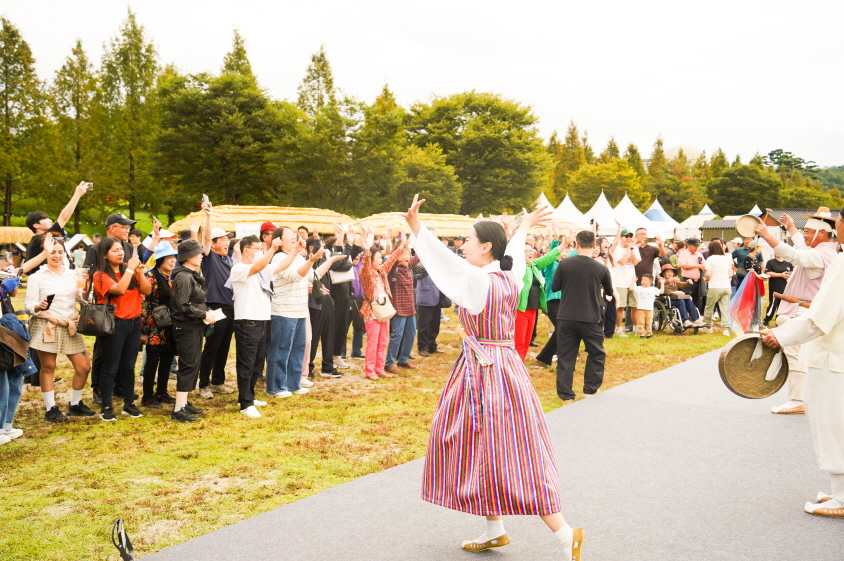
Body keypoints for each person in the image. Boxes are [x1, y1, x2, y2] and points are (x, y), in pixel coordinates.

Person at [405, 197, 583, 557]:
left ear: (485, 247)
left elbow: (442, 263)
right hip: (503, 367)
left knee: (504, 450)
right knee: (489, 447)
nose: (463, 246)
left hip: (484, 373)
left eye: (468, 241)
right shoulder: (508, 275)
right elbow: (512, 253)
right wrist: (525, 226)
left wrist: (417, 229)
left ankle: (565, 534)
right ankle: (495, 529)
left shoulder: (476, 279)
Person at [761, 207, 844, 518]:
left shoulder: (840, 261)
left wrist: (780, 336)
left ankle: (842, 497)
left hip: (833, 357)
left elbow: (820, 317)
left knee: (832, 424)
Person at [754, 208, 839, 415]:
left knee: (796, 357)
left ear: (821, 234)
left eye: (808, 232)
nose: (805, 235)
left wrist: (767, 236)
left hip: (804, 313)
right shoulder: (827, 252)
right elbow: (801, 249)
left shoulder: (820, 255)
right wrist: (791, 228)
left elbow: (794, 254)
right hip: (806, 312)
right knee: (808, 359)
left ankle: (796, 400)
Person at [24, 236, 93, 422]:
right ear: (45, 253)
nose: (56, 255)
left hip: (69, 323)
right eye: (52, 252)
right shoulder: (37, 277)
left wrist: (86, 286)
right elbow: (29, 306)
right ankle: (50, 409)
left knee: (84, 366)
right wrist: (39, 306)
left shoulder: (73, 274)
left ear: (65, 254)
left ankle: (75, 405)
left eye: (60, 252)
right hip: (47, 323)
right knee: (48, 367)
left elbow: (82, 299)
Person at [267, 229, 343, 397]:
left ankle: (293, 383)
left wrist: (328, 261)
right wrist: (311, 260)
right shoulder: (279, 258)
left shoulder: (300, 258)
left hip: (300, 310)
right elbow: (294, 276)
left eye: (295, 235)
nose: (294, 237)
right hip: (284, 310)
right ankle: (275, 387)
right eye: (289, 235)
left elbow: (313, 275)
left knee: (298, 348)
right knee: (281, 349)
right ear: (279, 240)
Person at [92, 237, 151, 421]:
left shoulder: (129, 270)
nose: (120, 253)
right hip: (114, 324)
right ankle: (107, 406)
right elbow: (118, 289)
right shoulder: (100, 275)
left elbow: (147, 291)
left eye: (120, 249)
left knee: (128, 366)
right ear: (104, 255)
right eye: (115, 250)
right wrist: (131, 269)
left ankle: (129, 404)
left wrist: (139, 272)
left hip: (134, 323)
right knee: (110, 367)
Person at [230, 235, 289, 416]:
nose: (260, 251)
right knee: (246, 363)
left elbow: (280, 267)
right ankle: (245, 404)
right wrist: (271, 249)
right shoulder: (239, 268)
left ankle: (249, 395)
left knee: (257, 362)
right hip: (247, 321)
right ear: (247, 251)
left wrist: (294, 252)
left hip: (263, 320)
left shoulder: (261, 271)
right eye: (257, 249)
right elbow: (257, 266)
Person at [553, 230, 614, 403]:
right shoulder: (600, 267)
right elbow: (609, 291)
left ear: (576, 244)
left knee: (566, 356)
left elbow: (555, 286)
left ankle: (566, 396)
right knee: (596, 353)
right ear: (595, 246)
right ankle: (590, 389)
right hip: (590, 316)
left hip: (566, 316)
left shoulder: (565, 264)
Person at [84, 213, 138, 405]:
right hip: (106, 308)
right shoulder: (96, 248)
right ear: (112, 228)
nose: (127, 230)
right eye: (124, 227)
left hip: (128, 309)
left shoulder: (128, 247)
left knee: (124, 356)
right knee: (103, 352)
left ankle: (120, 386)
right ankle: (98, 388)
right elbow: (89, 276)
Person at [169, 240, 215, 422]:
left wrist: (205, 311)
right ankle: (178, 409)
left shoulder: (190, 274)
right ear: (189, 257)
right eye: (198, 253)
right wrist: (203, 313)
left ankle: (184, 402)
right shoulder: (185, 277)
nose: (202, 255)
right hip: (185, 327)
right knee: (188, 365)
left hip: (193, 326)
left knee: (193, 364)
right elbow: (182, 305)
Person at [355, 223, 405, 381]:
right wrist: (368, 251)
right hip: (371, 312)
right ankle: (370, 371)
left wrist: (402, 244)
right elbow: (365, 265)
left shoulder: (381, 271)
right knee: (373, 342)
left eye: (379, 258)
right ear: (371, 260)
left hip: (383, 310)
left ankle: (379, 367)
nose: (380, 261)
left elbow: (391, 259)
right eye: (377, 259)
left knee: (383, 341)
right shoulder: (366, 274)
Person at [198, 202, 236, 399]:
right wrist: (209, 217)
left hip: (231, 307)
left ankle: (218, 381)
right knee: (212, 347)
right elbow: (205, 237)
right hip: (215, 307)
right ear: (212, 244)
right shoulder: (209, 257)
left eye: (227, 239)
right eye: (222, 239)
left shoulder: (229, 259)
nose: (226, 242)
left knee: (224, 347)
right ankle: (203, 384)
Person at [140, 242, 178, 409]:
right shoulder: (151, 276)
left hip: (169, 326)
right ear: (160, 259)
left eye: (174, 257)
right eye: (168, 258)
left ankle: (162, 392)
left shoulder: (171, 277)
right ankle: (147, 396)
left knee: (168, 359)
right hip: (154, 326)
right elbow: (144, 304)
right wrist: (144, 331)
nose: (172, 261)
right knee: (152, 360)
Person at [24, 181, 91, 275]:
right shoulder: (40, 239)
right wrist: (77, 194)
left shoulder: (36, 241)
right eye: (45, 219)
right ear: (36, 225)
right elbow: (64, 218)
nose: (50, 220)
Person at [515, 240, 561, 360]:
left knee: (526, 341)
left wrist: (564, 243)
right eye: (527, 250)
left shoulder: (534, 265)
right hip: (521, 309)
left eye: (532, 250)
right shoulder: (517, 267)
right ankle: (516, 368)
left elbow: (550, 256)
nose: (531, 252)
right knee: (519, 341)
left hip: (533, 309)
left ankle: (521, 366)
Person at [384, 243, 421, 374]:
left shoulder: (408, 267)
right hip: (398, 309)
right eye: (405, 254)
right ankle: (389, 363)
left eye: (409, 254)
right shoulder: (394, 269)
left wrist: (421, 239)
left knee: (411, 334)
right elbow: (391, 260)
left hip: (410, 308)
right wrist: (402, 246)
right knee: (397, 336)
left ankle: (403, 359)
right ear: (397, 256)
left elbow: (418, 256)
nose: (408, 256)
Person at [610, 226, 640, 337]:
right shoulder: (617, 249)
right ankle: (618, 329)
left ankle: (636, 328)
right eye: (626, 236)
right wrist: (628, 248)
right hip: (619, 281)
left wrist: (632, 248)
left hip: (631, 280)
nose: (629, 238)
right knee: (621, 307)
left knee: (634, 306)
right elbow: (622, 261)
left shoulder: (634, 248)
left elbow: (635, 262)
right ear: (621, 237)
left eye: (630, 236)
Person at [700, 240, 734, 334]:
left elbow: (708, 274)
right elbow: (730, 274)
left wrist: (706, 280)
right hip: (726, 286)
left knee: (709, 307)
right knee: (724, 308)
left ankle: (708, 327)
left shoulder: (710, 259)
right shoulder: (726, 258)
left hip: (714, 286)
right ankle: (726, 329)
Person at [762, 253, 793, 327]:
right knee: (773, 304)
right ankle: (766, 320)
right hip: (775, 286)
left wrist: (788, 276)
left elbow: (792, 273)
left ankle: (779, 320)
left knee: (782, 305)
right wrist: (780, 275)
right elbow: (768, 272)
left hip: (785, 286)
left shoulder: (788, 263)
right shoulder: (771, 262)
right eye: (776, 251)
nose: (778, 253)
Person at [677, 238, 706, 312]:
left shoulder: (699, 254)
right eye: (695, 246)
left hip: (699, 281)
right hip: (687, 281)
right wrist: (697, 266)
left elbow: (704, 265)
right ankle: (687, 317)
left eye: (697, 246)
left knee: (698, 300)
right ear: (689, 245)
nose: (696, 248)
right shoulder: (683, 253)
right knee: (687, 299)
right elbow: (683, 265)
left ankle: (696, 317)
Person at [630, 274, 662, 338]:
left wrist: (662, 283)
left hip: (649, 309)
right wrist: (633, 281)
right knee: (641, 322)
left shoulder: (653, 289)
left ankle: (648, 334)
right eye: (642, 280)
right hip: (640, 308)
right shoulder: (639, 288)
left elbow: (661, 292)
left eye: (645, 280)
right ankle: (641, 334)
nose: (643, 281)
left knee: (649, 322)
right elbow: (631, 289)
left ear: (650, 282)